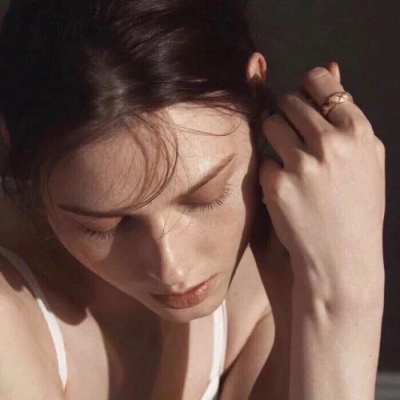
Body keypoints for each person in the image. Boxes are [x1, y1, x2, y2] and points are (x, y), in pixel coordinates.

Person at [0, 0, 385, 399]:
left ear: (255, 89)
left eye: (206, 198)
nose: (174, 268)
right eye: (104, 226)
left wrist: (312, 308)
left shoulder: (267, 271)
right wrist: (346, 299)